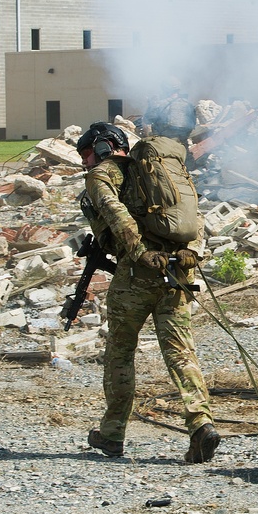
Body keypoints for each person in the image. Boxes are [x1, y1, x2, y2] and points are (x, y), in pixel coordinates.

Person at [76, 122, 220, 463]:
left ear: (100, 147)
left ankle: (112, 434)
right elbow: (194, 216)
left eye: (86, 155)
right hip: (178, 272)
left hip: (136, 276)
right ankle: (201, 425)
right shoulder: (164, 172)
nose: (85, 163)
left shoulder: (102, 176)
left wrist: (140, 252)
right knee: (181, 352)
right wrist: (194, 252)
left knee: (121, 352)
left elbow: (115, 214)